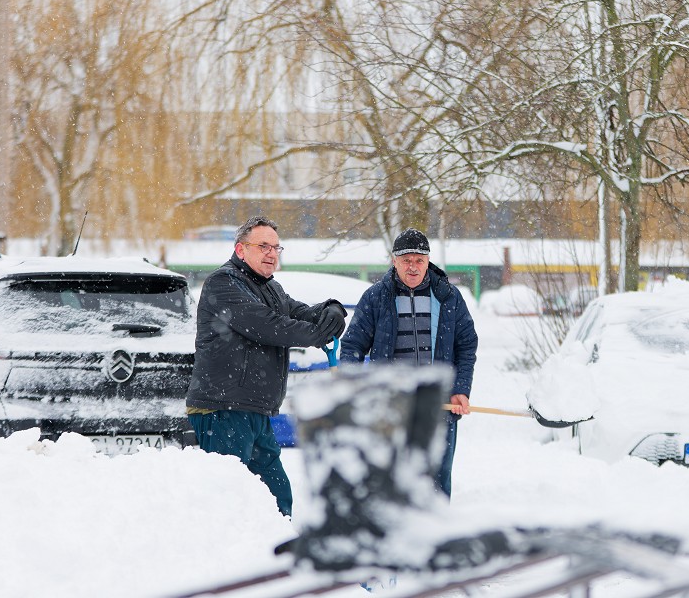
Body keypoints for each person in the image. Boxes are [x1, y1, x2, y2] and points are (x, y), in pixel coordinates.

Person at [186, 216, 347, 517]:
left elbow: (303, 313)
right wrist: (317, 334)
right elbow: (267, 326)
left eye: (276, 247)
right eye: (263, 246)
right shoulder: (223, 283)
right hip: (222, 411)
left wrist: (333, 310)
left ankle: (275, 544)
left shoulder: (272, 288)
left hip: (255, 412)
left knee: (278, 498)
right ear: (240, 249)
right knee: (230, 503)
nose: (272, 253)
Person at [340, 228, 478, 497]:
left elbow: (466, 345)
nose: (413, 267)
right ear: (394, 261)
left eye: (419, 260)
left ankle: (436, 523)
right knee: (392, 482)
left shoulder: (448, 297)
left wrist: (461, 388)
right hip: (391, 407)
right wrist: (354, 387)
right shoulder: (376, 297)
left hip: (438, 405)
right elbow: (352, 346)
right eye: (406, 260)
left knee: (437, 481)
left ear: (428, 261)